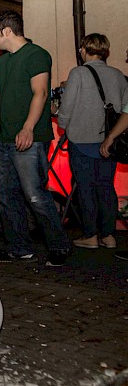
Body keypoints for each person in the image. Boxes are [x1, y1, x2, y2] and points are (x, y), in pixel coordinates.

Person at [0, 12, 70, 265]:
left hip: (30, 140)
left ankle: (59, 246)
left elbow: (40, 93)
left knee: (35, 195)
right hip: (5, 140)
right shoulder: (4, 63)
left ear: (7, 31)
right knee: (6, 196)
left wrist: (28, 128)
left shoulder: (37, 55)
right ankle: (20, 247)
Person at [57, 33, 128, 250]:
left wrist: (63, 123)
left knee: (86, 188)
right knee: (106, 187)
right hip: (109, 140)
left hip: (81, 139)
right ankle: (108, 235)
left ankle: (90, 235)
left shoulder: (78, 73)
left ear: (85, 49)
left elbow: (66, 108)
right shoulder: (119, 75)